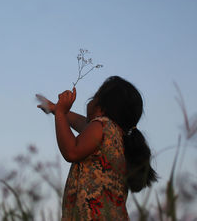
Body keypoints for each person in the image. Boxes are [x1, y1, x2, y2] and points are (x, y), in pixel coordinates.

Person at [36, 76, 158, 220]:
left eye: (94, 97)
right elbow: (82, 123)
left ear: (101, 108)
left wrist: (61, 113)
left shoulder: (101, 125)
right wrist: (56, 109)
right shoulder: (118, 136)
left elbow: (72, 151)